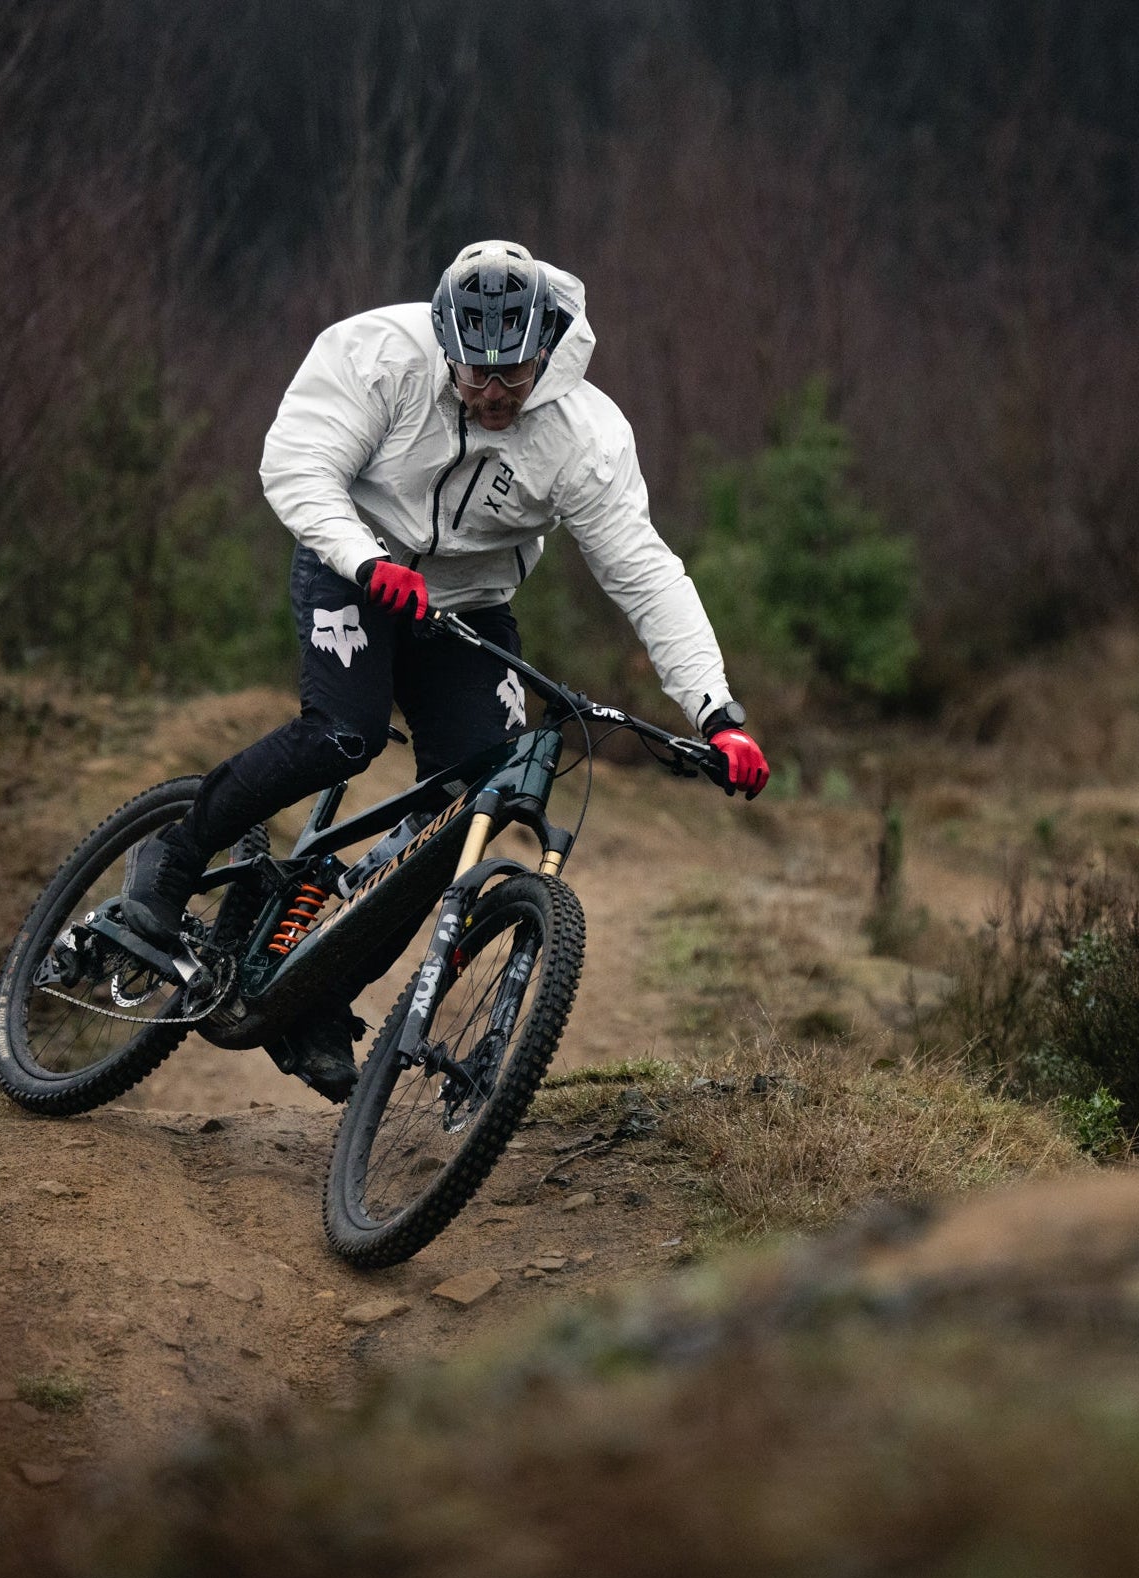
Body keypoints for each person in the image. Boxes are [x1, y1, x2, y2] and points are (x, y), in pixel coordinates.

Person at [122, 240, 769, 1098]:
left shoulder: (584, 435)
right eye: (475, 375)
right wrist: (362, 558)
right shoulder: (377, 354)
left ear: (546, 350)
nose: (495, 394)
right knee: (344, 735)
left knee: (465, 806)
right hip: (354, 562)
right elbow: (296, 463)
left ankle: (320, 993)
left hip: (465, 606)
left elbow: (644, 574)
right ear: (444, 342)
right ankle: (173, 857)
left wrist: (716, 711)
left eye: (515, 376)